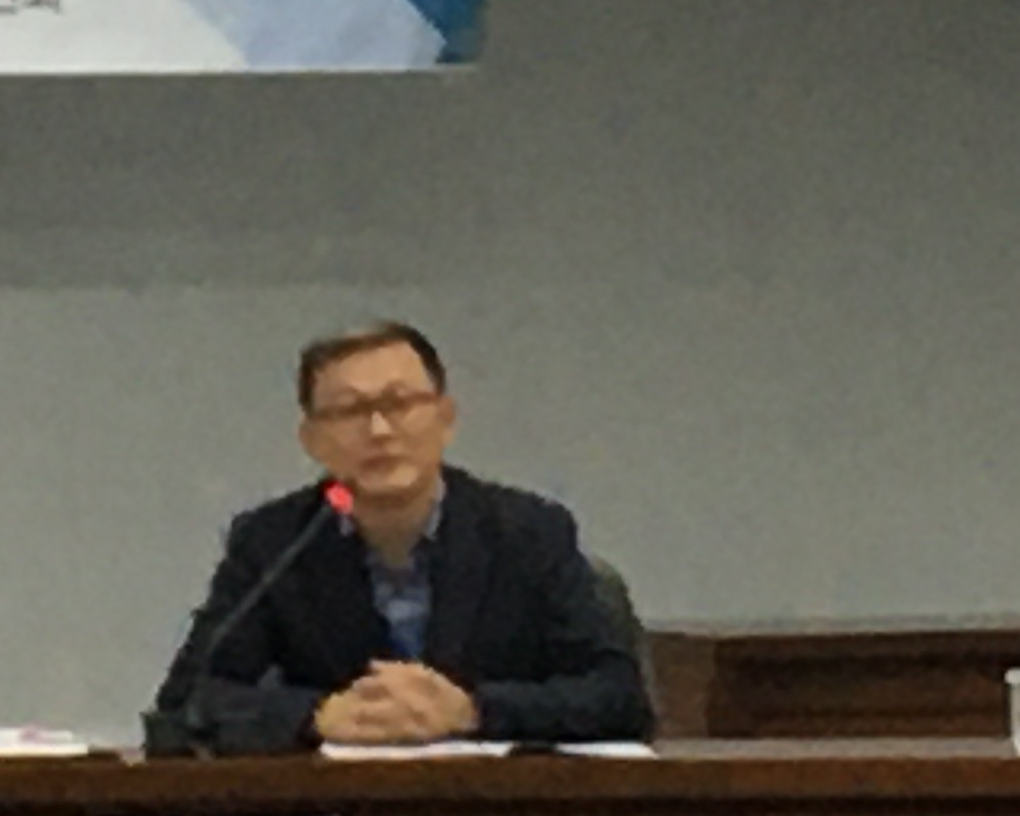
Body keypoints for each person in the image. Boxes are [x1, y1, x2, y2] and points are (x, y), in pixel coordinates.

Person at [145, 320, 650, 756]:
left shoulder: (527, 531)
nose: (380, 430)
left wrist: (472, 710)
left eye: (400, 403)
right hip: (341, 814)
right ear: (312, 440)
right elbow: (185, 704)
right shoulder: (273, 542)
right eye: (350, 411)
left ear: (444, 419)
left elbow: (618, 697)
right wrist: (316, 716)